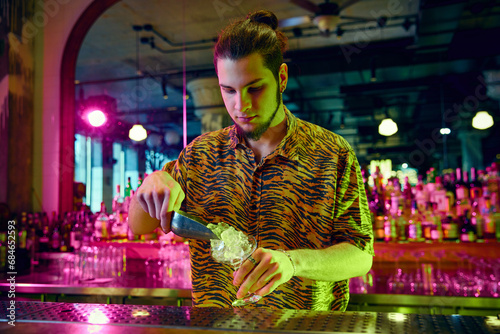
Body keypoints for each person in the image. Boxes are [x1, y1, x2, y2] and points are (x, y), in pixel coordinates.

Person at [129, 9, 374, 310]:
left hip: (304, 328)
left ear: (281, 78)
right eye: (228, 90)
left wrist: (293, 262)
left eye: (254, 88)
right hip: (216, 327)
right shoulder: (200, 154)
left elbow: (360, 255)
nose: (240, 105)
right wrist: (151, 183)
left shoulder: (332, 153)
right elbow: (138, 226)